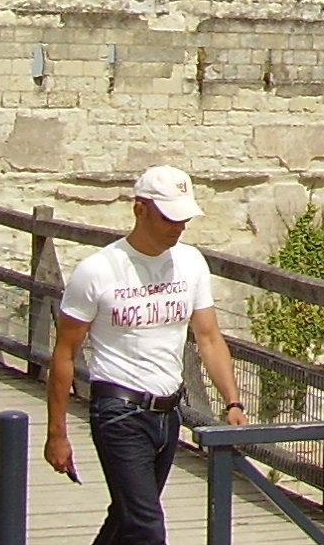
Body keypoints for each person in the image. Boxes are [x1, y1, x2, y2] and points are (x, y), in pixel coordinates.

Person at [44, 166, 249, 544]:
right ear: (140, 209)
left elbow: (208, 337)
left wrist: (232, 401)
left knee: (127, 518)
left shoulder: (190, 263)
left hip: (168, 413)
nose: (179, 227)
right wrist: (57, 432)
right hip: (118, 411)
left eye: (184, 218)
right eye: (170, 217)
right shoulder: (97, 270)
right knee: (147, 527)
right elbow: (64, 354)